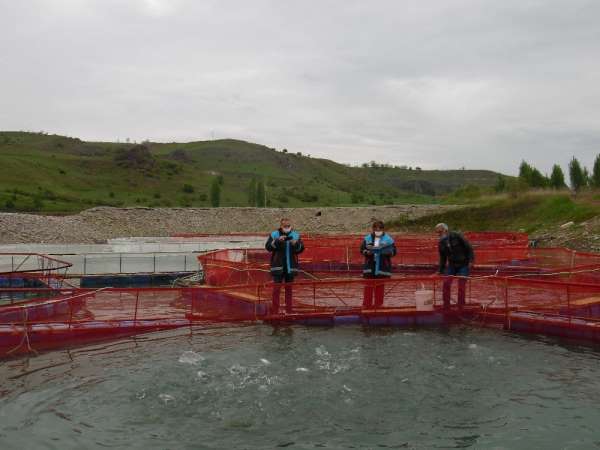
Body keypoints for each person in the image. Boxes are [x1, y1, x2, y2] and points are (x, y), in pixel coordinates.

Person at [265, 218, 304, 314]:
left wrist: (296, 244)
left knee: (289, 290)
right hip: (277, 267)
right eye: (285, 226)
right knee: (276, 289)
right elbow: (268, 247)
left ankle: (289, 311)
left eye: (288, 226)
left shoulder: (295, 235)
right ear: (281, 226)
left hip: (291, 267)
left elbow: (300, 249)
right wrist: (277, 241)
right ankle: (275, 311)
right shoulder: (274, 234)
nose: (287, 228)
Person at [435, 223, 474, 309]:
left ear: (445, 230)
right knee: (446, 283)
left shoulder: (457, 235)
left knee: (461, 284)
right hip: (452, 265)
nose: (438, 234)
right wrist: (440, 270)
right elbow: (443, 258)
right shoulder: (441, 243)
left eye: (440, 232)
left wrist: (471, 261)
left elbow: (469, 247)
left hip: (463, 264)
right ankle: (446, 305)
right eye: (437, 233)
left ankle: (461, 305)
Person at [360, 220, 396, 308]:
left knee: (380, 287)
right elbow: (362, 250)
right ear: (373, 229)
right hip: (370, 266)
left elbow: (394, 251)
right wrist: (367, 252)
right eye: (375, 227)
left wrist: (386, 252)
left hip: (382, 267)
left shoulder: (389, 240)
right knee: (368, 287)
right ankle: (367, 305)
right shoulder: (367, 238)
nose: (378, 229)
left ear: (383, 229)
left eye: (380, 228)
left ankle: (378, 305)